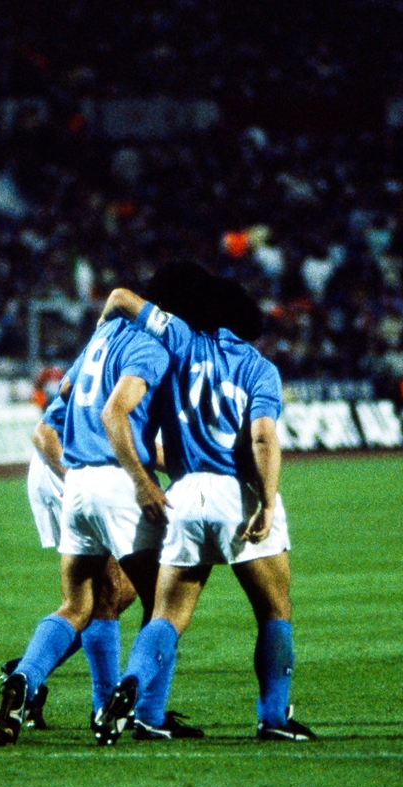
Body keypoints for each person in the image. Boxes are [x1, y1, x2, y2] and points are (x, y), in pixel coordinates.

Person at [93, 261, 316, 744]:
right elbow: (262, 437)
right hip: (237, 494)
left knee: (167, 615)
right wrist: (268, 503)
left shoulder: (180, 341)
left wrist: (102, 328)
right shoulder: (259, 368)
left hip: (184, 495)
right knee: (275, 610)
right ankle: (273, 718)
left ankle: (133, 687)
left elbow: (125, 298)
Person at [0, 314, 187, 746]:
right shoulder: (147, 353)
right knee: (157, 601)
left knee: (92, 599)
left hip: (82, 476)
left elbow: (70, 398)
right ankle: (136, 711)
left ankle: (25, 676)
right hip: (78, 471)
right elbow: (45, 432)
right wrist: (83, 475)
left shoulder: (102, 342)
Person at [0, 388, 138, 732]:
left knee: (124, 591)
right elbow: (43, 432)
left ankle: (27, 670)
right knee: (103, 593)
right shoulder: (132, 367)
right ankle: (103, 708)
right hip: (70, 467)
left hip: (88, 470)